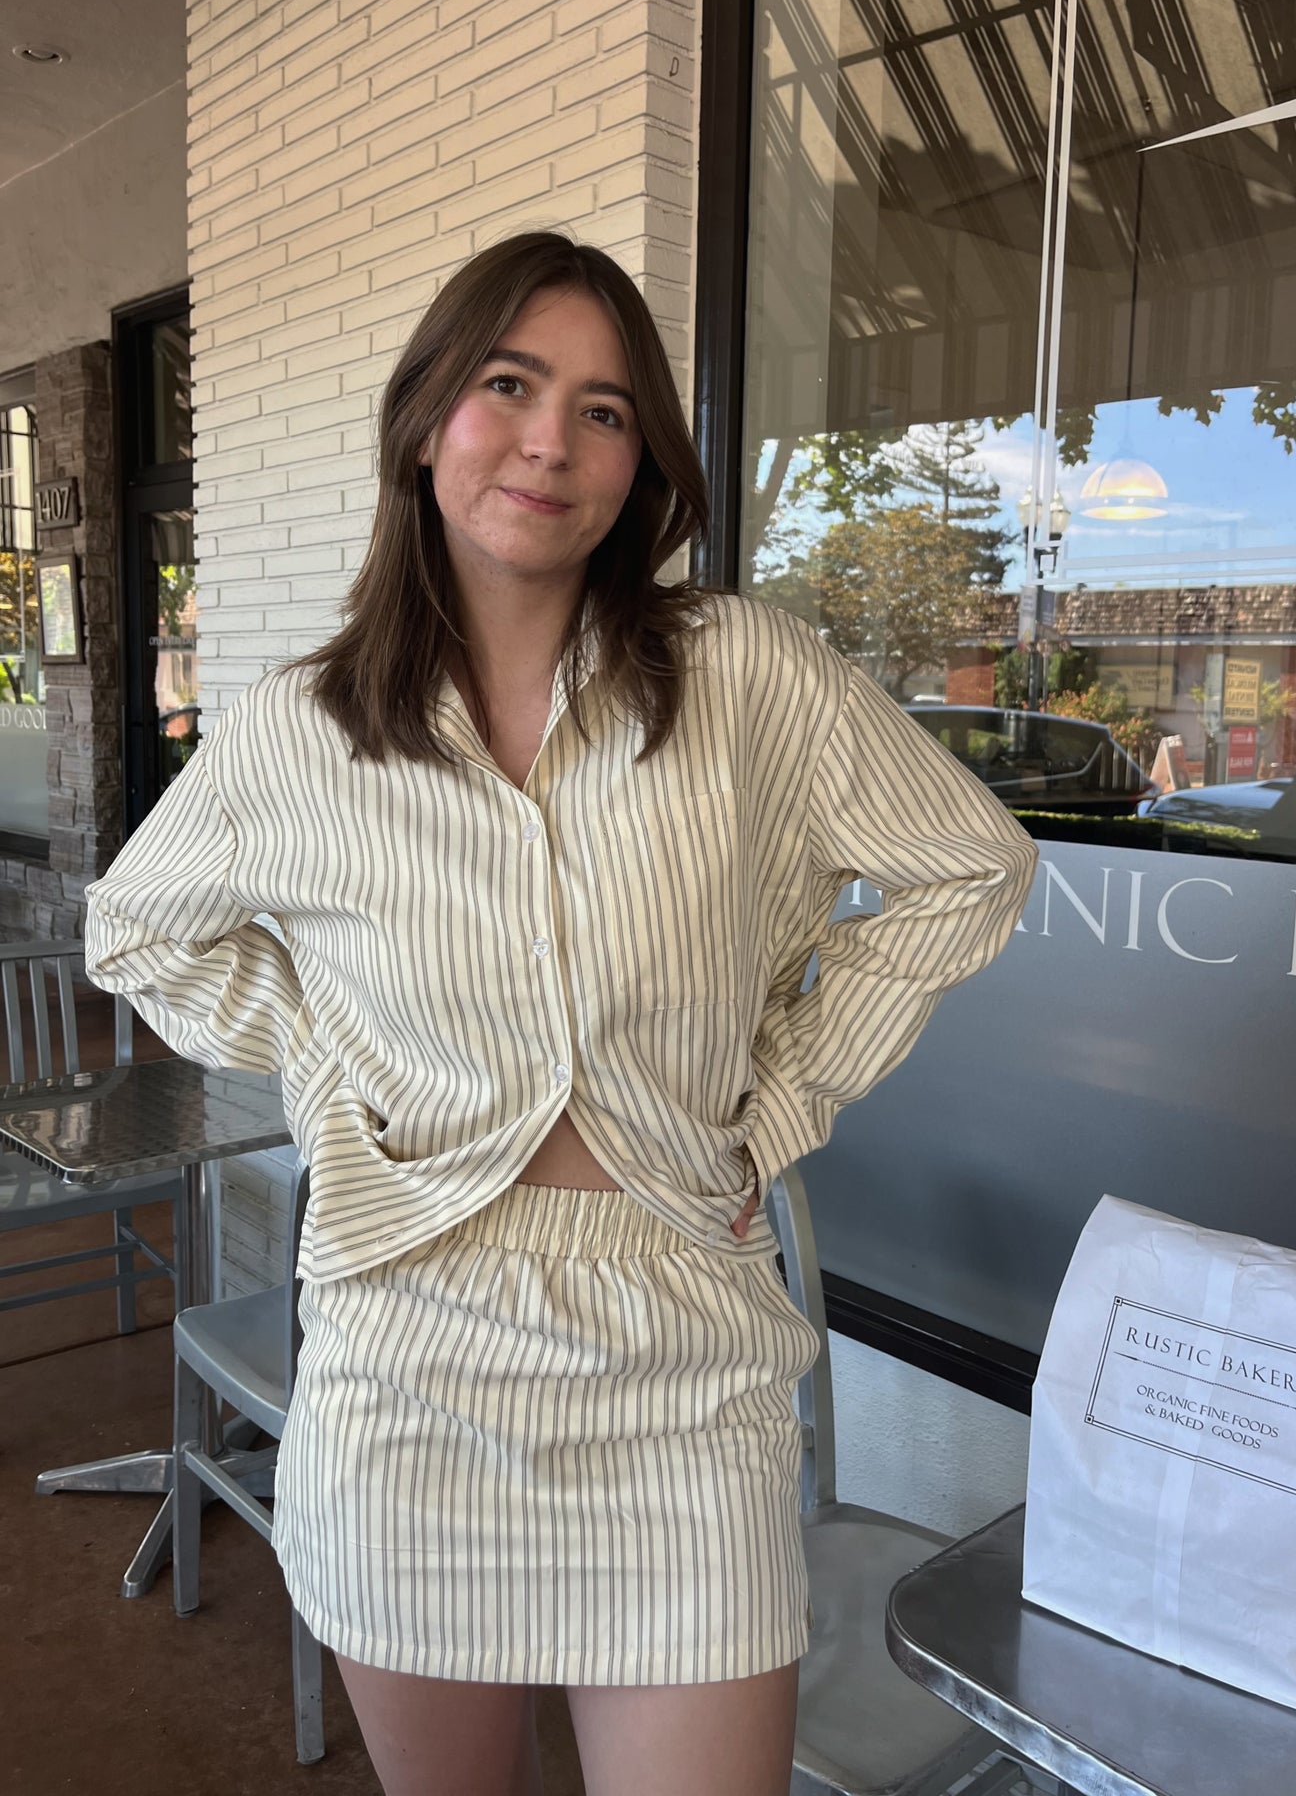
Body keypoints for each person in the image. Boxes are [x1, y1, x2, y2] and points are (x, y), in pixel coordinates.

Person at [83, 230, 1038, 1796]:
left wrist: (781, 1100)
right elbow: (143, 934)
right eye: (507, 385)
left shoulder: (748, 681)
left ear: (640, 460)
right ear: (423, 419)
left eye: (603, 409)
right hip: (406, 1348)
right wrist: (332, 1061)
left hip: (684, 1346)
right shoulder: (300, 733)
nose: (549, 440)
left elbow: (965, 871)